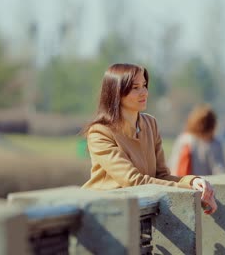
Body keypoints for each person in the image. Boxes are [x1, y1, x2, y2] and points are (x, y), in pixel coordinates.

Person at [81, 63, 217, 214]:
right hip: (104, 215)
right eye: (135, 87)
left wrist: (193, 181)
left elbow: (162, 176)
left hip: (138, 213)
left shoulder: (150, 124)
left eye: (144, 85)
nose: (144, 92)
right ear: (116, 92)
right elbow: (134, 181)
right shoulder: (100, 132)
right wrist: (190, 190)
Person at [168, 104, 225, 176]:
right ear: (213, 125)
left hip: (180, 184)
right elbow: (219, 171)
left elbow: (171, 167)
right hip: (203, 185)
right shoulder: (213, 144)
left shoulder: (182, 139)